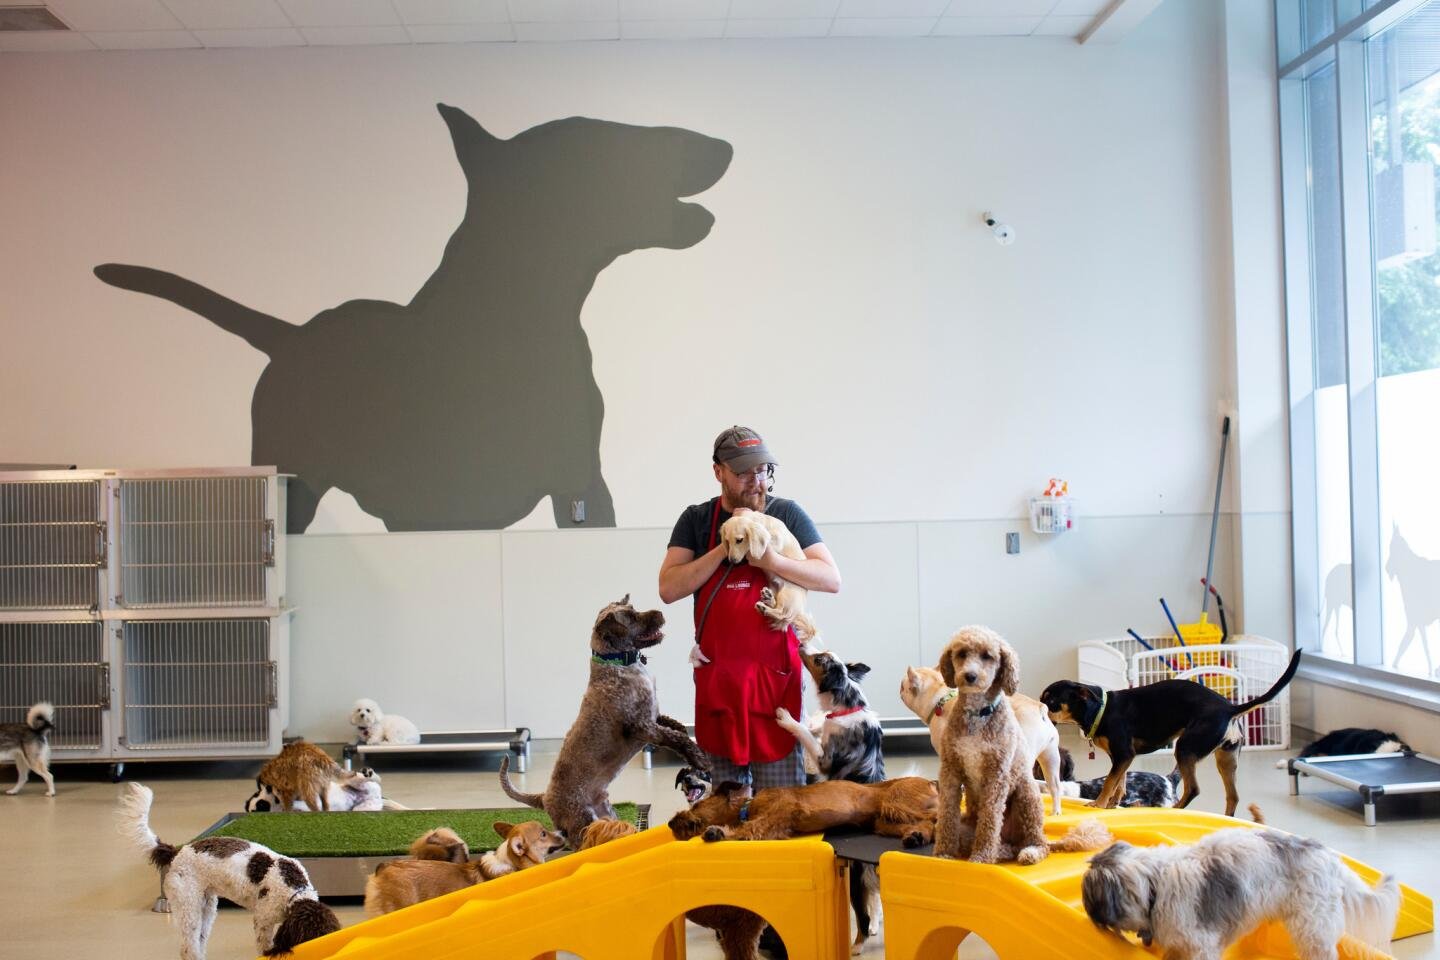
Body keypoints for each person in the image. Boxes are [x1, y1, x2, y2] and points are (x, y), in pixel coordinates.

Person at [658, 426, 841, 792]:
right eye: (743, 472)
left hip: (776, 682)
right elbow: (668, 588)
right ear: (718, 472)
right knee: (726, 801)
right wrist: (726, 546)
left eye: (762, 470)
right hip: (720, 683)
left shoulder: (786, 513)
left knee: (781, 801)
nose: (756, 482)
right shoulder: (696, 520)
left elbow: (830, 578)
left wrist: (772, 561)